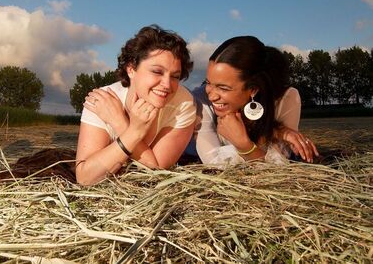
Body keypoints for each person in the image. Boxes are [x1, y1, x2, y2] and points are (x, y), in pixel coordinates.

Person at [76, 25, 197, 185]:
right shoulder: (102, 101)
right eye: (157, 72)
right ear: (131, 69)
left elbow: (157, 170)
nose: (167, 85)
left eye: (175, 76)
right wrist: (133, 132)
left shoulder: (183, 104)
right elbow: (85, 178)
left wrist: (121, 124)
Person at [185, 36, 318, 168]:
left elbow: (278, 167)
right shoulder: (201, 100)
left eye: (223, 88)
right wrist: (246, 146)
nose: (212, 95)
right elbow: (215, 163)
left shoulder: (287, 98)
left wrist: (246, 144)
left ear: (253, 89)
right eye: (208, 83)